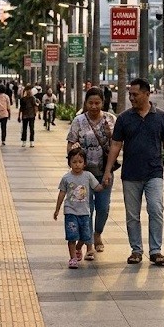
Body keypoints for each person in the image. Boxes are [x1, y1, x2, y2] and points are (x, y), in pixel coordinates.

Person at [102, 77, 164, 266]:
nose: (132, 98)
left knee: (156, 209)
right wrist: (108, 170)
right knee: (132, 215)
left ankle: (155, 251)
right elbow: (116, 145)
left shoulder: (161, 117)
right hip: (130, 174)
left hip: (154, 172)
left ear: (147, 94)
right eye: (130, 94)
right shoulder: (124, 118)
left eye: (135, 94)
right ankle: (136, 250)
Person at [66, 87, 116, 256]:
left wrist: (110, 136)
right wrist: (73, 165)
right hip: (84, 174)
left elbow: (117, 145)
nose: (94, 106)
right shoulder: (78, 120)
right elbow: (70, 142)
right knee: (87, 208)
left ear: (103, 103)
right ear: (86, 103)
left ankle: (98, 233)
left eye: (97, 103)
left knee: (103, 207)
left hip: (104, 171)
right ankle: (88, 242)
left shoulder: (110, 119)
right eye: (90, 103)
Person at [54, 147, 104, 268]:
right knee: (71, 236)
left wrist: (104, 185)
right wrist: (57, 209)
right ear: (69, 163)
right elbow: (62, 193)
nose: (77, 165)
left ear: (85, 163)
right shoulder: (66, 178)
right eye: (74, 162)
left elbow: (96, 187)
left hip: (84, 212)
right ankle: (73, 258)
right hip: (70, 211)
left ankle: (78, 248)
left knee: (84, 236)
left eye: (80, 162)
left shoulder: (88, 176)